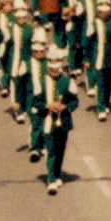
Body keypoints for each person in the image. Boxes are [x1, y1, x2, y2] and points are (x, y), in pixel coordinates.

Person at [35, 48, 79, 194]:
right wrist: (47, 105)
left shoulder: (67, 81)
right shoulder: (41, 81)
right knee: (51, 149)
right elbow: (35, 102)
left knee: (60, 150)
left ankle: (57, 173)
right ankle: (51, 179)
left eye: (57, 68)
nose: (54, 70)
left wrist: (65, 107)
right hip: (48, 121)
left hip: (64, 121)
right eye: (52, 68)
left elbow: (75, 102)